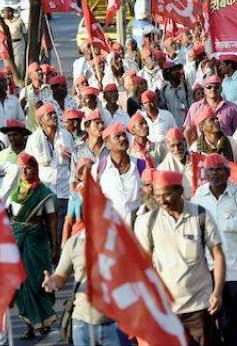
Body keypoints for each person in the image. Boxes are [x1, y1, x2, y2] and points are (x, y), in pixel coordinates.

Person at [136, 170, 225, 346]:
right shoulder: (148, 221)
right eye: (158, 196)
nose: (162, 201)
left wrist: (217, 293)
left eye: (167, 195)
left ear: (180, 191)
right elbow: (143, 266)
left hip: (199, 307)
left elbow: (218, 255)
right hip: (166, 311)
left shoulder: (200, 215)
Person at [192, 155, 237, 346]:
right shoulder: (198, 198)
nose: (215, 174)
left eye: (219, 170)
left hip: (235, 270)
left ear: (227, 173)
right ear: (205, 173)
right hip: (207, 272)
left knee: (234, 325)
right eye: (211, 170)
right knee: (212, 326)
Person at [41, 177, 120, 345]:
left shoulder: (121, 244)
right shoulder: (74, 243)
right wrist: (52, 282)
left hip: (115, 324)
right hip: (82, 323)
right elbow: (61, 276)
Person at [7, 152, 58, 339]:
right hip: (17, 240)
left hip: (37, 241)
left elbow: (52, 219)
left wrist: (55, 245)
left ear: (35, 169)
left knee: (38, 281)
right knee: (21, 284)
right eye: (22, 168)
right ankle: (29, 324)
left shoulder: (44, 193)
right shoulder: (14, 191)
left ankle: (44, 320)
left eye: (28, 167)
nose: (25, 171)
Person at [24, 103, 74, 233]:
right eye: (49, 114)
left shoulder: (66, 136)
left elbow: (74, 163)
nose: (54, 116)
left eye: (54, 113)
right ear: (41, 120)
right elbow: (28, 167)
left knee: (62, 232)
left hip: (64, 193)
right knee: (46, 234)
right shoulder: (33, 140)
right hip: (44, 195)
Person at [94, 123, 142, 220]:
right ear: (107, 144)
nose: (123, 139)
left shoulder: (141, 165)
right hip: (112, 226)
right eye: (117, 137)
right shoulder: (98, 168)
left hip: (137, 224)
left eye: (124, 135)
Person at [2, 6, 26, 74]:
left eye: (5, 13)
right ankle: (10, 81)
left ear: (10, 13)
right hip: (7, 44)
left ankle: (19, 79)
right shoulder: (3, 22)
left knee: (18, 63)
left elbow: (24, 33)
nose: (4, 15)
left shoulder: (18, 21)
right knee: (7, 64)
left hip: (18, 44)